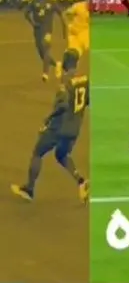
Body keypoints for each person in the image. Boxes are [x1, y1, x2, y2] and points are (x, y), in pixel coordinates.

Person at [11, 50, 90, 202]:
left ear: (65, 62)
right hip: (74, 129)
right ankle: (81, 182)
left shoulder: (65, 82)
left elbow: (62, 106)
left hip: (59, 126)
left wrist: (47, 121)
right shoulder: (85, 80)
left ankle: (29, 189)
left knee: (38, 153)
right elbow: (88, 101)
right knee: (62, 155)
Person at [23, 0, 66, 82]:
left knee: (46, 49)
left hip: (47, 31)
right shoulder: (34, 2)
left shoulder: (52, 2)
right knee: (42, 55)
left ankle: (45, 73)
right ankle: (57, 64)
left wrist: (64, 28)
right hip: (37, 31)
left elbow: (61, 14)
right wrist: (33, 23)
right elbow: (26, 13)